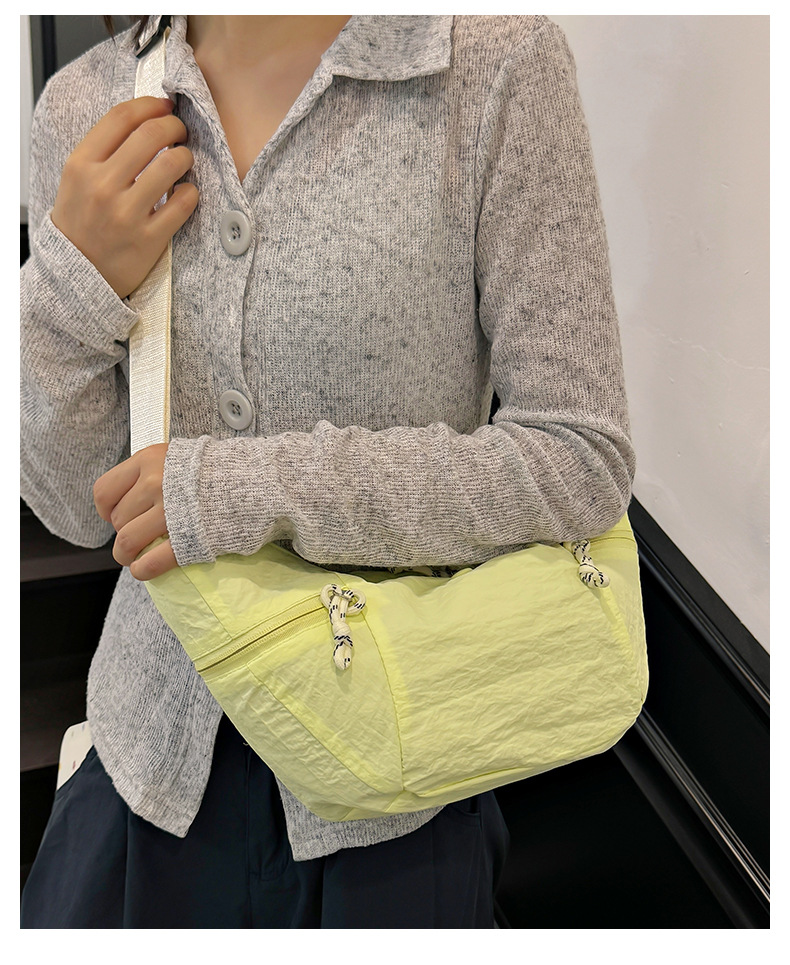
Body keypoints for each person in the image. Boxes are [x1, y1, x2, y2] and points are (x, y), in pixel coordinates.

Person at [20, 15, 635, 928]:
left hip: (397, 786)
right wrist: (69, 293)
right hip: (148, 771)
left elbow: (579, 457)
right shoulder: (86, 104)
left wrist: (239, 491)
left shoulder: (493, 69)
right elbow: (77, 508)